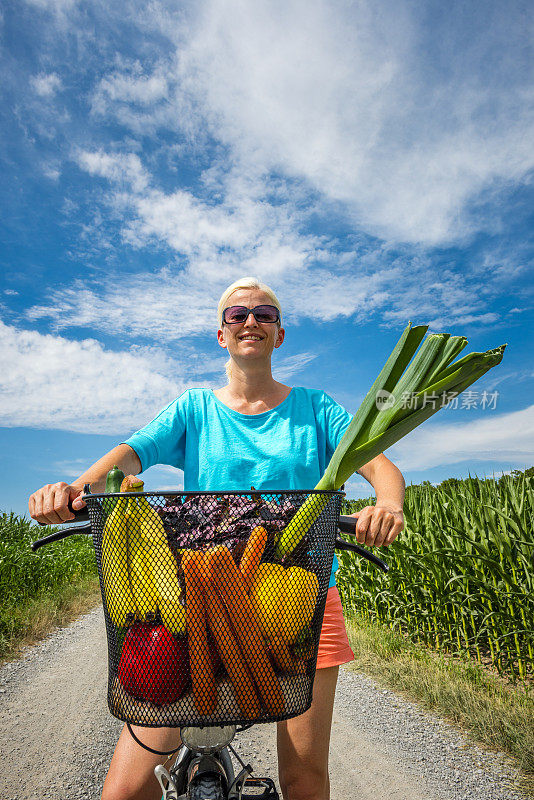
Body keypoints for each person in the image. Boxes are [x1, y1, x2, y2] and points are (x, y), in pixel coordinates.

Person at [29, 276, 405, 800]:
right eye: (237, 314)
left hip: (305, 607)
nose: (251, 320)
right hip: (203, 597)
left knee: (304, 779)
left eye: (264, 314)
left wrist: (388, 503)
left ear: (280, 335)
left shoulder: (317, 409)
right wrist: (69, 495)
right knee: (124, 790)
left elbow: (380, 466)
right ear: (221, 334)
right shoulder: (193, 410)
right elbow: (128, 457)